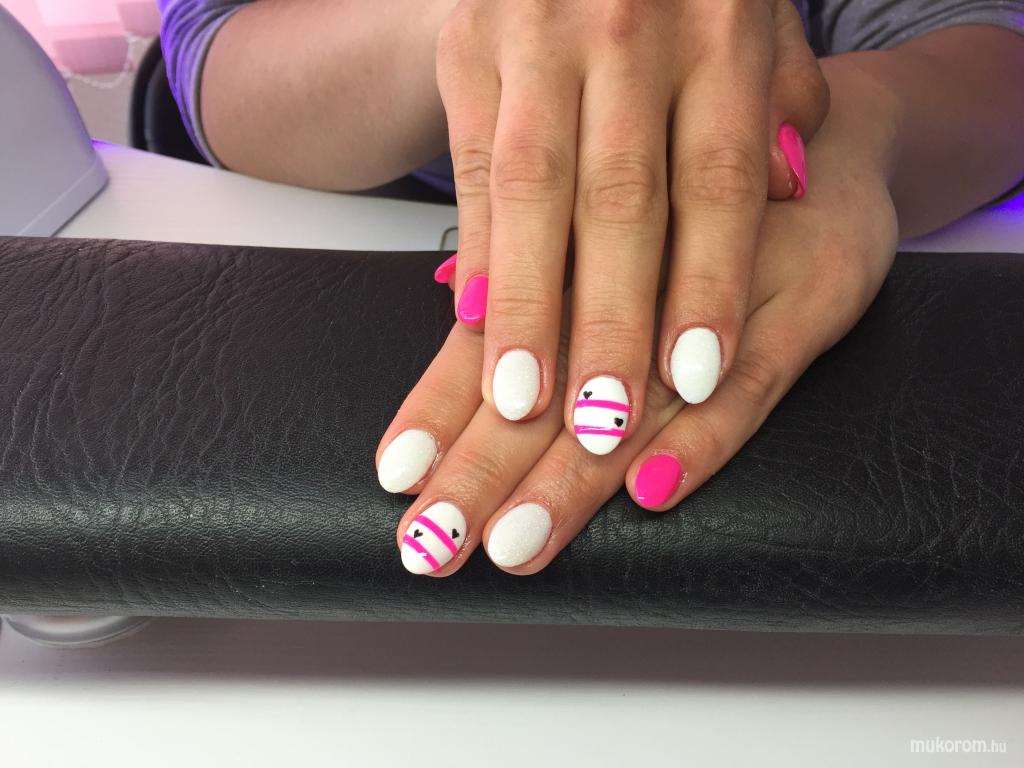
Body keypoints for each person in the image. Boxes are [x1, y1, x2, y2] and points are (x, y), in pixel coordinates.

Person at [159, 0, 1024, 576]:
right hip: (340, 248)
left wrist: (865, 123)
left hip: (773, 209)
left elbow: (992, 48)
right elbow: (215, 58)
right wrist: (490, 23)